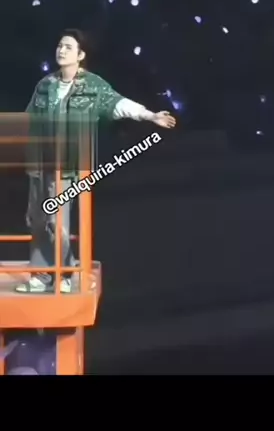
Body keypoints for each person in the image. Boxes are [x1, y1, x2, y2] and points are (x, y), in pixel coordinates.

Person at [18, 29, 176, 294]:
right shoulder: (45, 85)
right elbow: (28, 119)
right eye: (60, 45)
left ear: (80, 55)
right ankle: (42, 275)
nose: (61, 50)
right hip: (41, 163)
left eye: (68, 47)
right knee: (37, 219)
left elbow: (119, 104)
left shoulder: (93, 85)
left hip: (69, 166)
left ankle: (65, 272)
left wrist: (150, 116)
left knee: (56, 220)